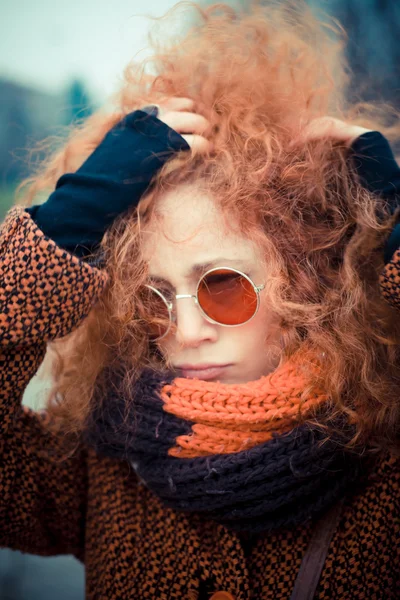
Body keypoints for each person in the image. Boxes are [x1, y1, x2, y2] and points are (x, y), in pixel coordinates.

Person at [1, 2, 399, 599]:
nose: (184, 331)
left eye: (222, 284)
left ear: (311, 284)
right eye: (151, 299)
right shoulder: (102, 469)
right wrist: (63, 226)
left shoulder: (384, 466)